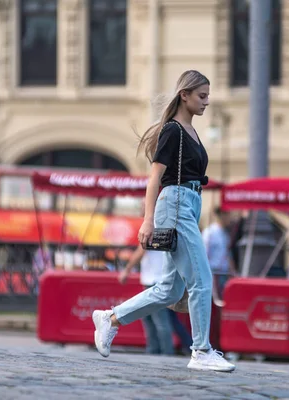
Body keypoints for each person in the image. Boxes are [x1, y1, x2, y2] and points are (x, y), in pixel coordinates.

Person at [91, 70, 235, 372]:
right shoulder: (173, 131)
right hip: (176, 203)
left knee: (169, 290)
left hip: (189, 205)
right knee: (201, 280)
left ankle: (110, 318)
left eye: (208, 96)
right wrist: (147, 220)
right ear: (185, 95)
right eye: (202, 96)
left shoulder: (190, 131)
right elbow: (154, 177)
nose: (207, 102)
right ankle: (201, 350)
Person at [119, 246, 174, 356]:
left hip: (154, 279)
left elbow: (140, 251)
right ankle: (156, 350)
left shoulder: (152, 228)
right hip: (158, 278)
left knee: (159, 320)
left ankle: (164, 352)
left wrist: (127, 270)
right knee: (152, 319)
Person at [202, 207, 237, 296]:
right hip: (213, 274)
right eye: (227, 214)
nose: (230, 217)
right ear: (221, 215)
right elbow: (203, 255)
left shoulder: (225, 234)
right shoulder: (209, 232)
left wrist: (233, 272)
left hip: (224, 274)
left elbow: (227, 255)